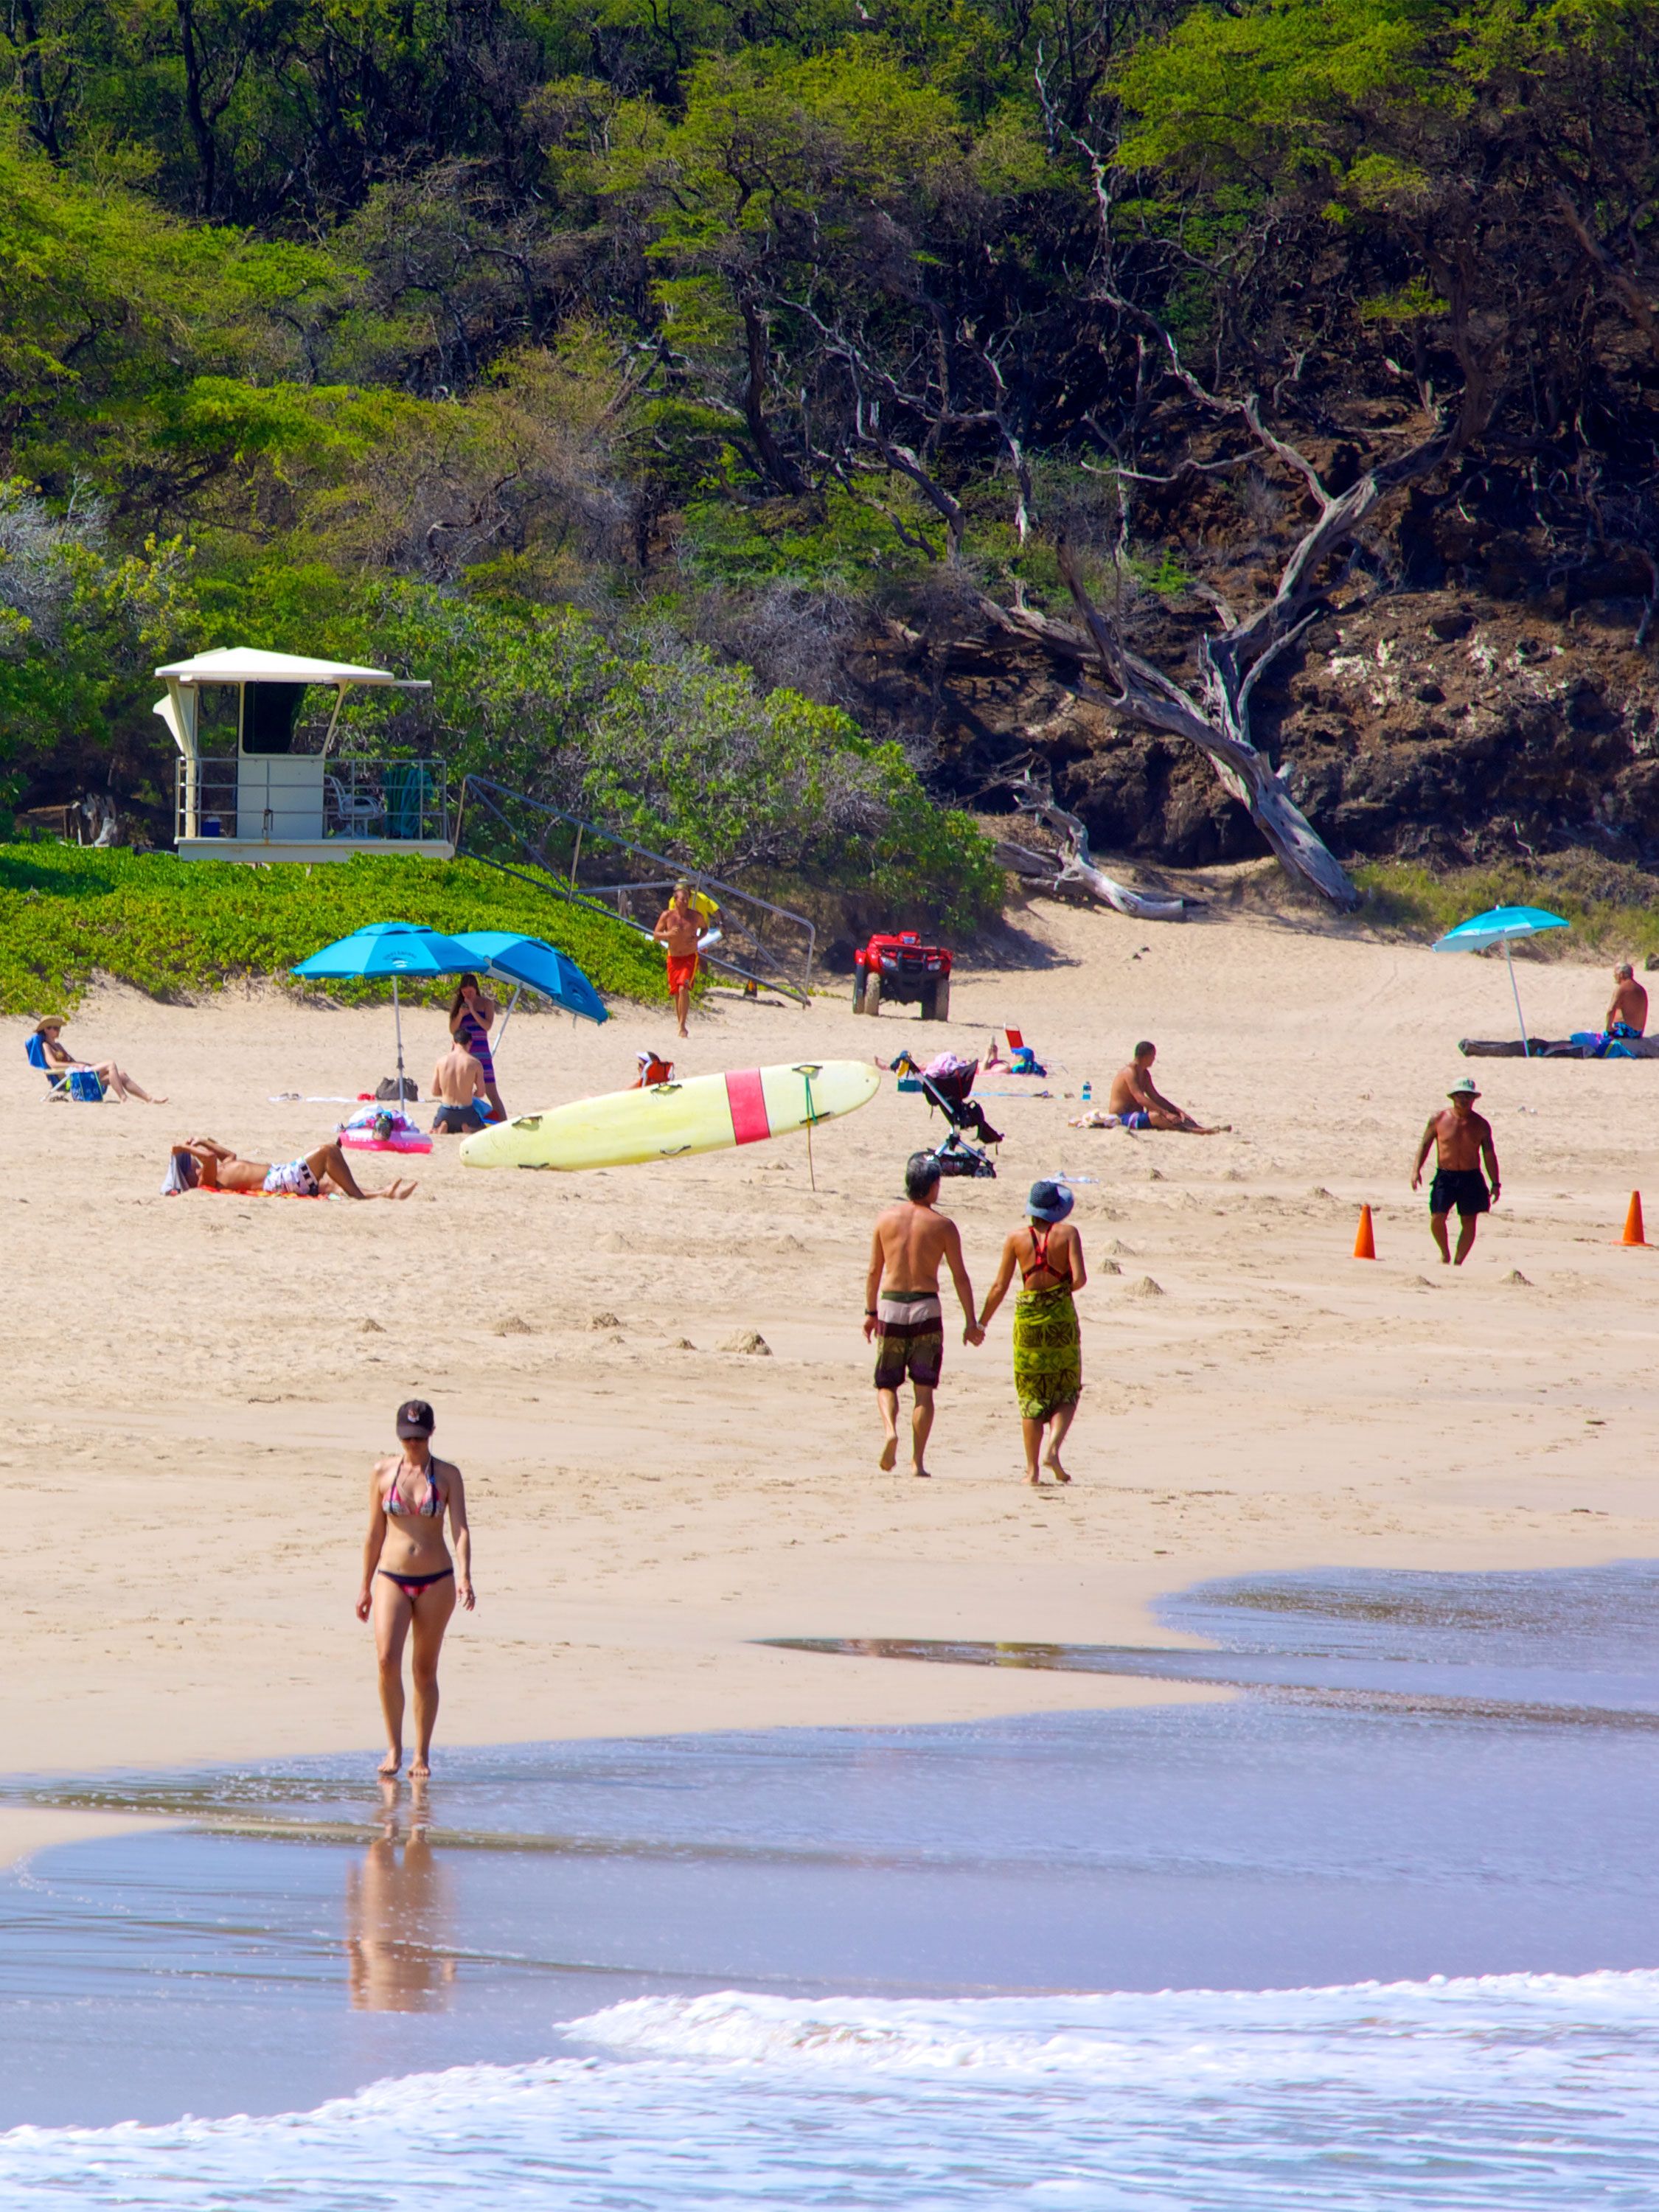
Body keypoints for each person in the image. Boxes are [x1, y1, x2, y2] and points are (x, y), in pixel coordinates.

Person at [357, 1399, 474, 1778]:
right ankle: (394, 1748)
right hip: (391, 1576)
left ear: (431, 1434)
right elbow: (375, 1533)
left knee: (424, 1670)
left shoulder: (449, 1476)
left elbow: (460, 1529)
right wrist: (364, 1586)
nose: (413, 1446)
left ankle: (421, 1755)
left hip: (436, 1579)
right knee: (386, 1660)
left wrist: (465, 1576)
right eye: (407, 1439)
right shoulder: (381, 1473)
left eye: (419, 1439)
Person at [863, 1152, 983, 1477]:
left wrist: (870, 1312)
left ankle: (890, 1430)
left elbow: (875, 1271)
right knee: (924, 1391)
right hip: (925, 1308)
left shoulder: (885, 1220)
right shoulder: (943, 1226)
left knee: (886, 1384)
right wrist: (971, 1322)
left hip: (890, 1306)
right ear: (932, 1187)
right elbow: (960, 1276)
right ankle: (917, 1462)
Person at [976, 1180, 1088, 1486]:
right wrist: (1059, 1287)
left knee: (1031, 1395)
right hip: (1060, 1319)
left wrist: (981, 1323)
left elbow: (1000, 1286)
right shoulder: (1068, 1234)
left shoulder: (1015, 1239)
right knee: (1066, 1388)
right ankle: (1052, 1448)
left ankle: (1031, 1471)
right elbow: (1079, 1280)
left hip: (1028, 1322)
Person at [1411, 1077, 1502, 1265]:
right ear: (1453, 1097)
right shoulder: (1439, 1119)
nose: (1464, 1099)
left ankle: (1458, 1261)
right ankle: (1445, 1253)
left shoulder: (1481, 1124)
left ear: (1474, 1099)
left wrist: (1495, 1183)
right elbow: (1425, 1145)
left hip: (1471, 1177)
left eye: (1468, 1096)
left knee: (1469, 1220)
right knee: (1437, 1217)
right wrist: (1416, 1170)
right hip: (1446, 1175)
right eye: (1460, 1095)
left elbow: (1489, 1154)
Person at [168, 1135, 417, 1199]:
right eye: (189, 1161)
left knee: (331, 1184)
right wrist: (185, 1148)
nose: (194, 1159)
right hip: (276, 1182)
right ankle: (362, 1197)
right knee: (328, 1151)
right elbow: (210, 1158)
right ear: (186, 1173)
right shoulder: (204, 1181)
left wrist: (202, 1141)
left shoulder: (218, 1171)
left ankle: (384, 1194)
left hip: (279, 1174)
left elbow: (229, 1155)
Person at [34, 1017, 166, 1103]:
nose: (58, 1031)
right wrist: (75, 1065)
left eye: (59, 1028)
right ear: (46, 1029)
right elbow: (53, 1064)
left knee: (122, 1074)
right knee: (110, 1063)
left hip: (78, 1073)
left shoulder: (58, 1046)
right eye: (55, 1028)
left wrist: (87, 1064)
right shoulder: (46, 1046)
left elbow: (73, 1061)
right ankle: (123, 1098)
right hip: (71, 1078)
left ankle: (149, 1099)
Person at [1105, 1042, 1227, 1133]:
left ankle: (1200, 1128)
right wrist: (1165, 1113)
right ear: (1145, 1056)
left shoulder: (1145, 1073)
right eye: (1153, 1056)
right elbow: (1140, 1098)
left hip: (1137, 1114)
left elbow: (1155, 1097)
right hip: (1122, 1117)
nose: (1154, 1059)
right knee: (1158, 1116)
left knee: (1173, 1114)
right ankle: (1194, 1131)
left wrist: (1177, 1110)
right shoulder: (1129, 1072)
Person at [448, 974, 504, 1123]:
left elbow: (487, 1026)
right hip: (463, 1054)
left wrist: (472, 1010)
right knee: (461, 1091)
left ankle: (504, 1122)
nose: (467, 995)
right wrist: (460, 1014)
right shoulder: (459, 1006)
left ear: (476, 989)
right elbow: (453, 1030)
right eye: (464, 992)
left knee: (492, 1092)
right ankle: (461, 1123)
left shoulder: (486, 1004)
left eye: (470, 992)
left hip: (482, 1054)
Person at [653, 880, 703, 1040]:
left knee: (684, 988)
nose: (685, 902)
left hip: (689, 957)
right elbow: (656, 936)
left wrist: (698, 938)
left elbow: (706, 928)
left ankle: (683, 1026)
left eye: (687, 899)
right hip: (673, 958)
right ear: (675, 900)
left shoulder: (695, 916)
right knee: (677, 992)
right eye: (682, 899)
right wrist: (667, 935)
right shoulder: (667, 916)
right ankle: (680, 1023)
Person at [430, 1039, 490, 1133]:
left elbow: (434, 1092)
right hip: (466, 1111)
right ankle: (470, 1129)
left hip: (446, 1110)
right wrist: (471, 1094)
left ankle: (440, 1128)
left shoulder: (441, 1062)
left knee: (433, 1129)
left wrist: (447, 1092)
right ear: (470, 1043)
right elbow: (481, 1093)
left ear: (453, 1043)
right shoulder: (475, 1063)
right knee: (482, 1128)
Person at [1601, 963, 1648, 1046]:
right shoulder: (1641, 989)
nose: (1614, 976)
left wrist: (1609, 1030)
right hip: (1638, 1032)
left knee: (1599, 1038)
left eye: (1615, 974)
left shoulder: (1622, 988)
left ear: (1621, 974)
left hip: (1626, 1032)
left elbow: (1611, 1010)